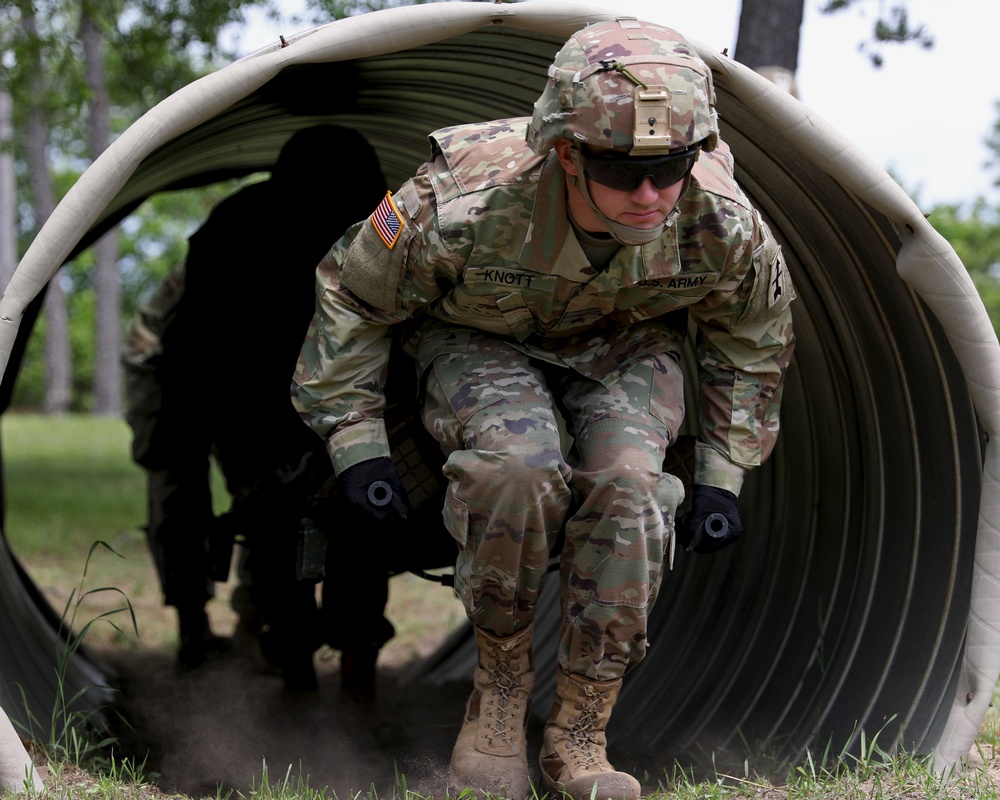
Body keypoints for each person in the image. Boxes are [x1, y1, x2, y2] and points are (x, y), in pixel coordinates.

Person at [291, 18, 795, 800]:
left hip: (627, 346)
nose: (651, 194)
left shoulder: (720, 223)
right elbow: (355, 297)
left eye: (670, 169)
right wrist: (357, 446)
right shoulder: (462, 198)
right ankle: (496, 692)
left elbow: (753, 336)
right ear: (565, 151)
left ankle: (581, 732)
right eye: (623, 173)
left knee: (631, 487)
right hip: (478, 338)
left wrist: (723, 473)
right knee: (514, 467)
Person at [123, 125, 391, 695]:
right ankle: (203, 630)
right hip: (196, 367)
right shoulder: (238, 230)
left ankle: (328, 664)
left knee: (354, 507)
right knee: (205, 487)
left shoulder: (383, 223)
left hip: (316, 372)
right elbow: (205, 354)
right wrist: (257, 465)